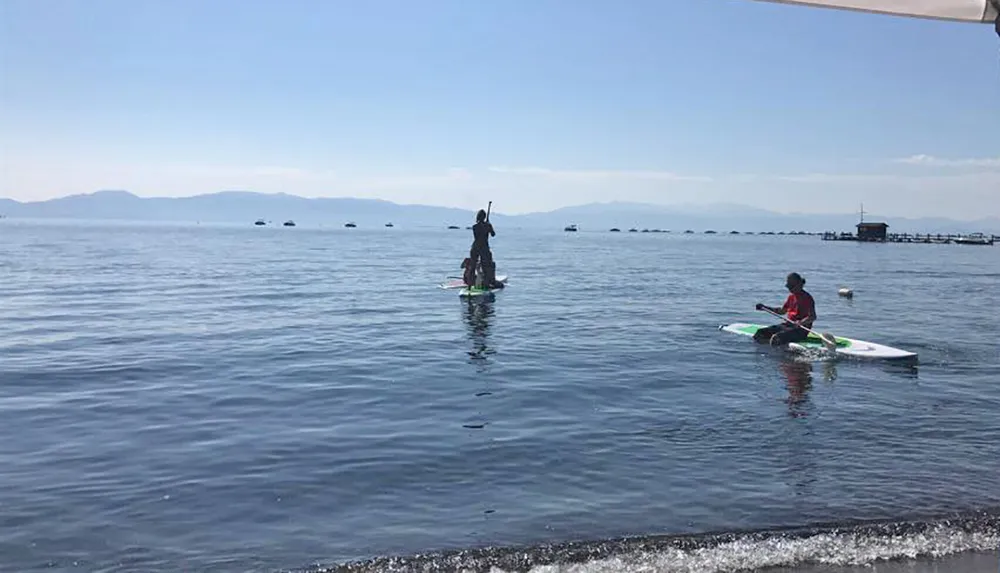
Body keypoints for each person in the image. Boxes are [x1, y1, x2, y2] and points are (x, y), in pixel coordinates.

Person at [753, 272, 816, 346]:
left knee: (777, 337)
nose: (789, 289)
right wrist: (765, 307)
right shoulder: (791, 297)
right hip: (787, 326)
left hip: (801, 330)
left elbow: (812, 317)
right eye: (789, 287)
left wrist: (800, 322)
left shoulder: (807, 298)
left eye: (791, 287)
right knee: (760, 333)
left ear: (799, 285)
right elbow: (782, 311)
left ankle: (777, 355)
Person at [468, 208, 502, 288]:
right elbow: (493, 234)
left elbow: (477, 237)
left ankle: (470, 285)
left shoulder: (475, 226)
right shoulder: (487, 226)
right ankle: (486, 284)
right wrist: (489, 226)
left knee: (472, 267)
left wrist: (487, 226)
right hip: (484, 248)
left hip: (475, 247)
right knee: (486, 267)